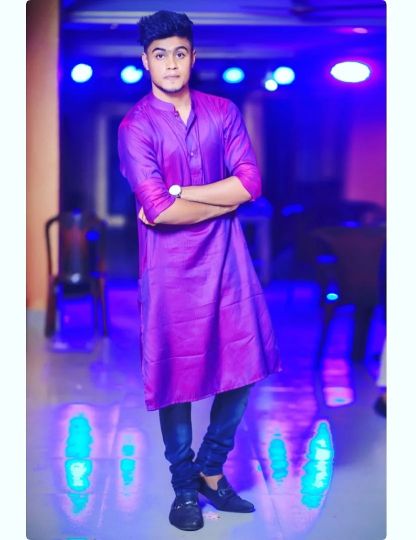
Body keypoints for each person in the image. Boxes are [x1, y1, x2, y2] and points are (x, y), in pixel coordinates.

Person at [118, 10, 282, 532]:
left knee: (244, 364)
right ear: (145, 61)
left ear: (193, 57)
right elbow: (157, 210)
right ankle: (184, 487)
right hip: (170, 272)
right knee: (177, 378)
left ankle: (211, 470)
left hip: (228, 263)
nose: (170, 63)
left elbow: (250, 183)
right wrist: (222, 200)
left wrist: (185, 193)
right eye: (160, 54)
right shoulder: (136, 126)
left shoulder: (222, 112)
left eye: (180, 52)